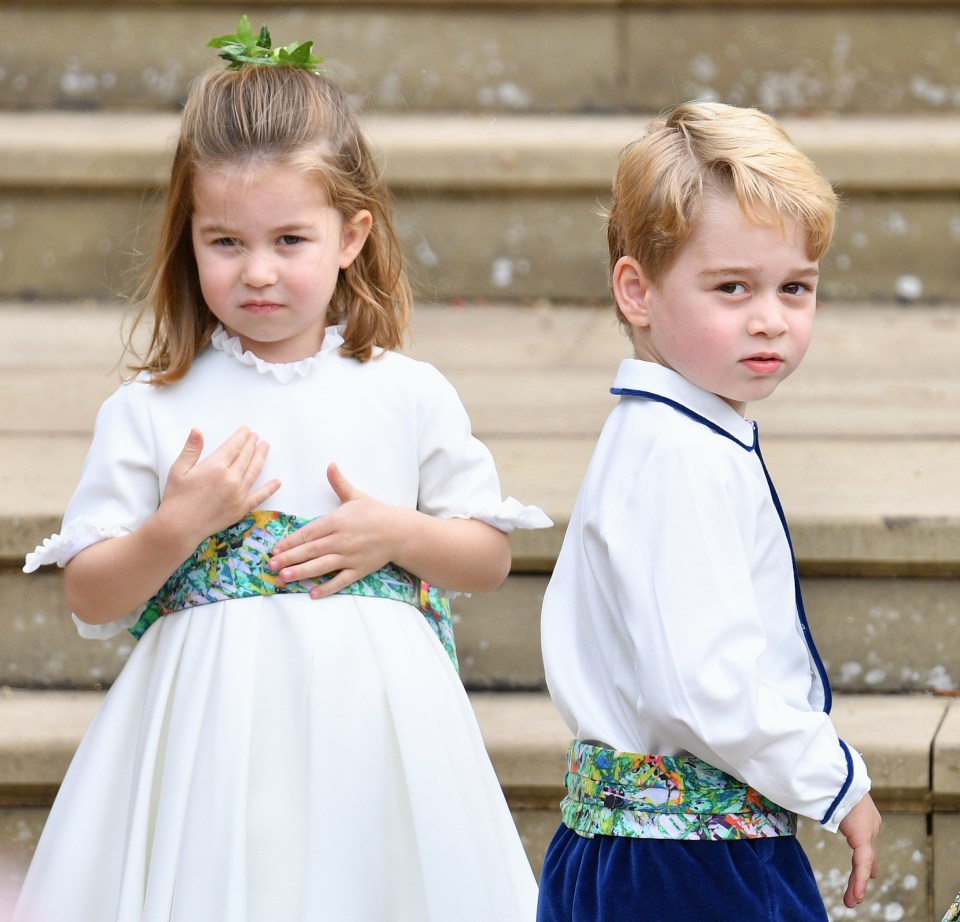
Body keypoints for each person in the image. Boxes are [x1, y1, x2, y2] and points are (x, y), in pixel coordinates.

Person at [15, 18, 548, 922]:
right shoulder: (152, 409)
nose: (257, 272)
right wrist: (177, 525)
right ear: (189, 238)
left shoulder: (405, 393)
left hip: (376, 745)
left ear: (350, 235)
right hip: (210, 754)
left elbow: (486, 558)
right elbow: (92, 596)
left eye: (290, 241)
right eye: (226, 242)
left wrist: (399, 534)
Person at [537, 101, 882, 922]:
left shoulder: (669, 437)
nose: (770, 318)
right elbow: (708, 684)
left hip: (645, 854)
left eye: (795, 288)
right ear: (638, 290)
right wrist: (835, 781)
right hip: (692, 870)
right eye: (732, 288)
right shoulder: (680, 457)